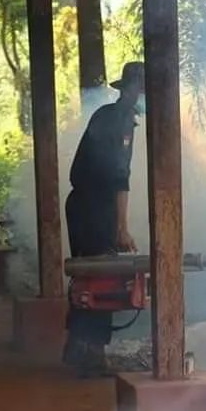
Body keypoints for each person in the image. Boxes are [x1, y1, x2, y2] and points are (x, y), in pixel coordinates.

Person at [63, 62, 146, 376]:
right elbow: (118, 178)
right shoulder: (119, 121)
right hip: (94, 207)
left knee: (88, 272)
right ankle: (92, 353)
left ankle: (78, 347)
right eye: (143, 89)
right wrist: (122, 228)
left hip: (86, 204)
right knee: (100, 276)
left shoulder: (112, 116)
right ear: (131, 89)